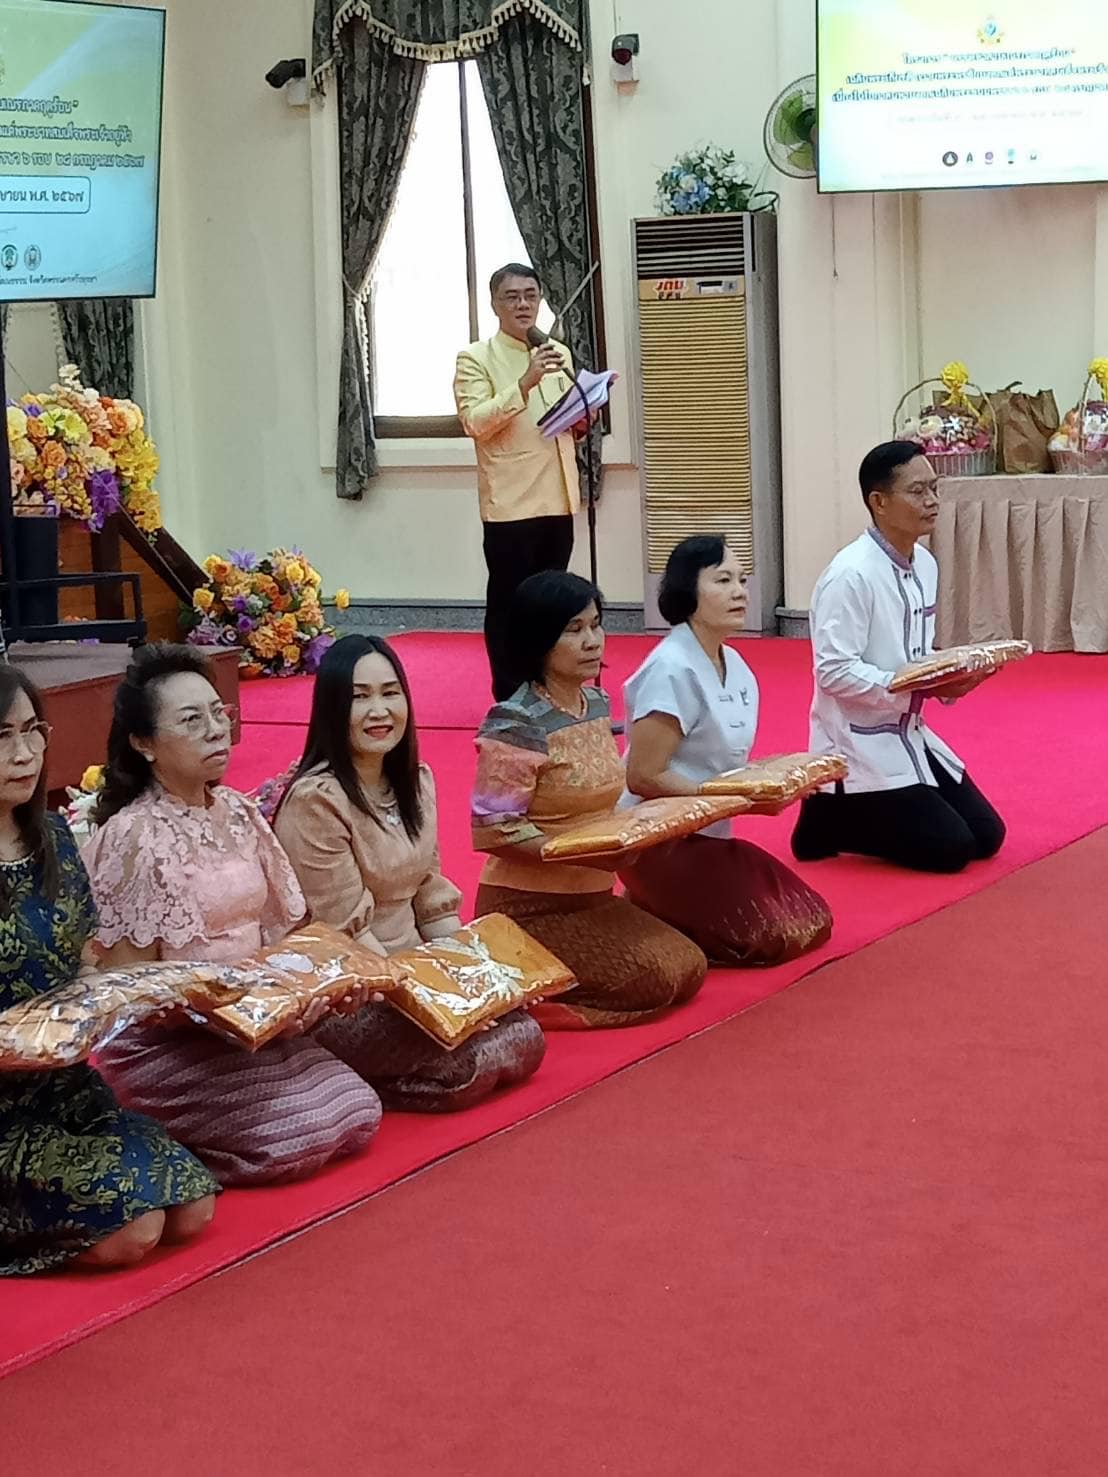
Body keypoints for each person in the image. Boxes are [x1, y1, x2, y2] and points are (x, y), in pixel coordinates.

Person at [82, 645, 382, 1185]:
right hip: (171, 1039)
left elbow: (285, 930)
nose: (216, 730)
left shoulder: (240, 812)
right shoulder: (132, 836)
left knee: (357, 1114)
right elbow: (126, 984)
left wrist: (313, 985)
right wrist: (213, 1004)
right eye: (192, 720)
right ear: (143, 743)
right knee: (298, 1136)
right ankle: (156, 1132)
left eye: (219, 714)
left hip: (254, 1018)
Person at [0, 666, 217, 1274]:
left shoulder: (53, 839)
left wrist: (134, 990)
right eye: (2, 737)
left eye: (32, 731)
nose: (26, 753)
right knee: (135, 1231)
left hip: (63, 1090)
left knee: (192, 1207)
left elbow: (81, 961)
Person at [274, 635, 545, 1110]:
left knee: (522, 1030)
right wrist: (439, 1004)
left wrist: (473, 982)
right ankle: (359, 1072)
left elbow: (431, 900)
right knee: (472, 1059)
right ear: (332, 708)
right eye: (360, 697)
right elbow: (346, 933)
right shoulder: (316, 802)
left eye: (390, 692)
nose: (379, 710)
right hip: (353, 988)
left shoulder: (415, 782)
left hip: (414, 969)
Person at [471, 571, 707, 1028]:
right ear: (539, 639)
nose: (593, 640)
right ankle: (527, 1000)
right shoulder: (514, 721)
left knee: (689, 965)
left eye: (596, 625)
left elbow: (609, 802)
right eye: (574, 630)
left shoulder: (595, 703)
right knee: (653, 978)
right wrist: (580, 853)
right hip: (530, 906)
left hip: (594, 893)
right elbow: (493, 830)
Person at [791, 441, 1006, 873]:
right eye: (918, 491)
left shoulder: (924, 564)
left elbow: (916, 655)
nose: (932, 501)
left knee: (987, 835)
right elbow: (833, 672)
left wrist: (954, 678)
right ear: (879, 502)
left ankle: (844, 812)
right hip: (857, 740)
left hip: (911, 732)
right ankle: (828, 810)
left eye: (934, 488)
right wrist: (912, 686)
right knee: (951, 850)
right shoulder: (850, 575)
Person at [618, 536, 832, 966]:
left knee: (810, 919)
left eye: (742, 579)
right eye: (722, 580)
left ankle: (664, 911)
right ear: (687, 590)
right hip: (659, 840)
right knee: (768, 940)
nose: (739, 591)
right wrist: (737, 800)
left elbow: (729, 766)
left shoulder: (736, 665)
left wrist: (781, 783)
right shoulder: (671, 668)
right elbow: (643, 776)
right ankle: (647, 901)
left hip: (710, 835)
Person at [454, 262, 580, 701]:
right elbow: (475, 422)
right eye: (512, 296)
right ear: (494, 304)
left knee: (553, 604)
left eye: (530, 294)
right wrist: (524, 383)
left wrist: (586, 411)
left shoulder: (556, 351)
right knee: (510, 605)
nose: (523, 304)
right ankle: (510, 696)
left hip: (558, 496)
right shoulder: (476, 358)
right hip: (511, 503)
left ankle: (550, 690)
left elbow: (562, 418)